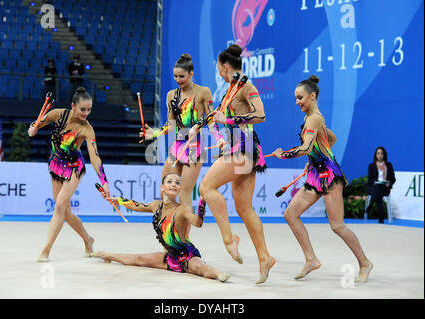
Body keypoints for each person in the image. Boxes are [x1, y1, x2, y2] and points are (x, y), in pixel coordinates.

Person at [271, 75, 373, 282]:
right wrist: (316, 158)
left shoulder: (314, 118)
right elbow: (330, 138)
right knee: (291, 214)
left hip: (329, 176)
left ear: (312, 96)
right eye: (296, 98)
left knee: (337, 226)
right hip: (316, 174)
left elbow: (307, 146)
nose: (297, 101)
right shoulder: (313, 119)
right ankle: (311, 259)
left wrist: (284, 154)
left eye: (300, 97)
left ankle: (365, 262)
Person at [197, 44, 275, 284]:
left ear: (225, 66)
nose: (219, 72)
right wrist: (208, 129)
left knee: (206, 188)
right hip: (235, 146)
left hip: (244, 147)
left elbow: (261, 115)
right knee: (243, 208)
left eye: (219, 69)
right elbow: (217, 119)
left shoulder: (247, 87)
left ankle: (229, 239)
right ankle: (265, 257)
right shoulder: (230, 89)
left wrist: (228, 119)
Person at [93, 173, 231, 283]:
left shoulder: (182, 209)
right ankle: (108, 255)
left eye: (177, 183)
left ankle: (218, 273)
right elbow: (137, 205)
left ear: (179, 189)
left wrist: (202, 203)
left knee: (199, 267)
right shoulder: (156, 206)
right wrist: (118, 200)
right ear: (162, 187)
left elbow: (198, 222)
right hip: (170, 257)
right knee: (139, 259)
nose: (174, 184)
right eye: (170, 181)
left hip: (187, 255)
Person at [28, 87, 110, 262]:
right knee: (65, 213)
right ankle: (88, 239)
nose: (86, 113)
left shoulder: (87, 129)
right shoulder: (58, 114)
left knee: (58, 206)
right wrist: (32, 129)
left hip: (74, 167)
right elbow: (38, 124)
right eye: (83, 109)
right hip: (56, 165)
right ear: (73, 106)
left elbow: (95, 156)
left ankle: (46, 251)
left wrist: (104, 180)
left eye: (89, 110)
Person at [139, 53, 225, 211]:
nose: (178, 80)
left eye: (182, 76)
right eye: (175, 76)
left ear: (191, 74)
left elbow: (211, 119)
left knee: (184, 194)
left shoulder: (203, 92)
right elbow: (170, 125)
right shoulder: (171, 95)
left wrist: (219, 138)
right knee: (165, 191)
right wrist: (154, 133)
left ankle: (184, 236)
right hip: (178, 144)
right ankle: (167, 233)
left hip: (196, 145)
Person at [365, 146, 396, 223]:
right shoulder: (371, 166)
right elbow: (370, 179)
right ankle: (381, 218)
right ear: (375, 155)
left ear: (384, 155)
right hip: (373, 187)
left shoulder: (389, 165)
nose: (380, 155)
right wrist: (376, 182)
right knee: (378, 189)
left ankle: (370, 205)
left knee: (379, 190)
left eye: (382, 153)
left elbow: (393, 179)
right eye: (378, 153)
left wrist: (389, 183)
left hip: (385, 188)